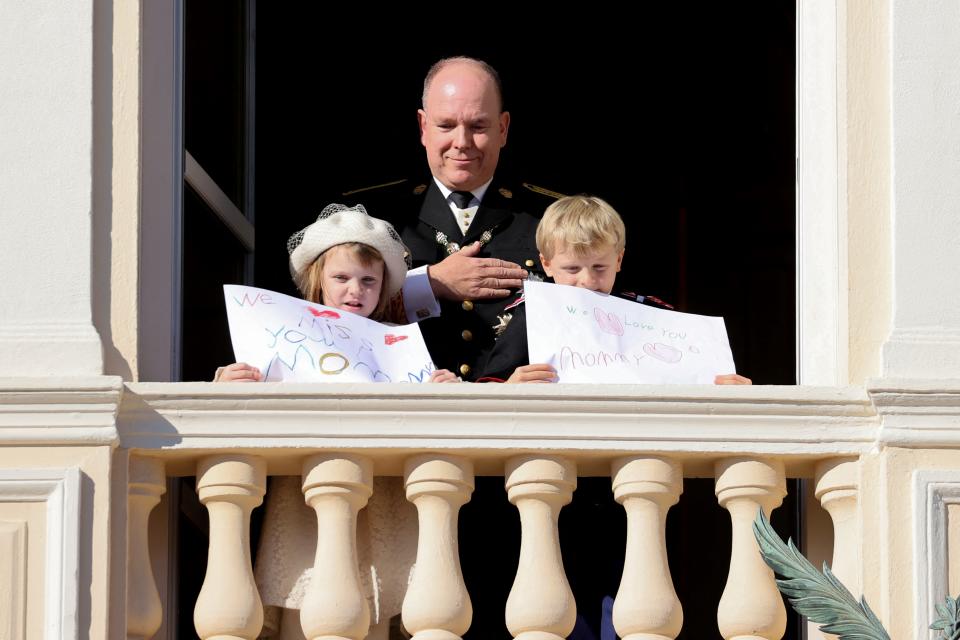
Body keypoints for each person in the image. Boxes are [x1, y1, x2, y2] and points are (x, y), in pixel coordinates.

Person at [216, 204, 457, 639]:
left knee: (374, 615)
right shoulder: (282, 339)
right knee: (307, 613)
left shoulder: (397, 348)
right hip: (307, 500)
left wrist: (436, 387)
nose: (355, 290)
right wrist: (229, 380)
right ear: (317, 281)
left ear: (384, 285)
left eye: (369, 280)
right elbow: (254, 400)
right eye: (341, 278)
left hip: (382, 501)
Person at [350, 56, 556, 381]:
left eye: (478, 126)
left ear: (502, 129)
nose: (462, 142)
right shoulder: (368, 218)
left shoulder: (551, 218)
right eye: (446, 126)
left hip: (520, 416)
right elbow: (325, 313)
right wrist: (429, 284)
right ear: (423, 127)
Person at [478, 194, 752, 385]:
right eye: (572, 269)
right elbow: (491, 384)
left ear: (618, 260)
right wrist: (510, 386)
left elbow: (690, 377)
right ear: (546, 264)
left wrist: (722, 386)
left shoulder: (649, 315)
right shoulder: (532, 316)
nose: (586, 280)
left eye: (599, 267)